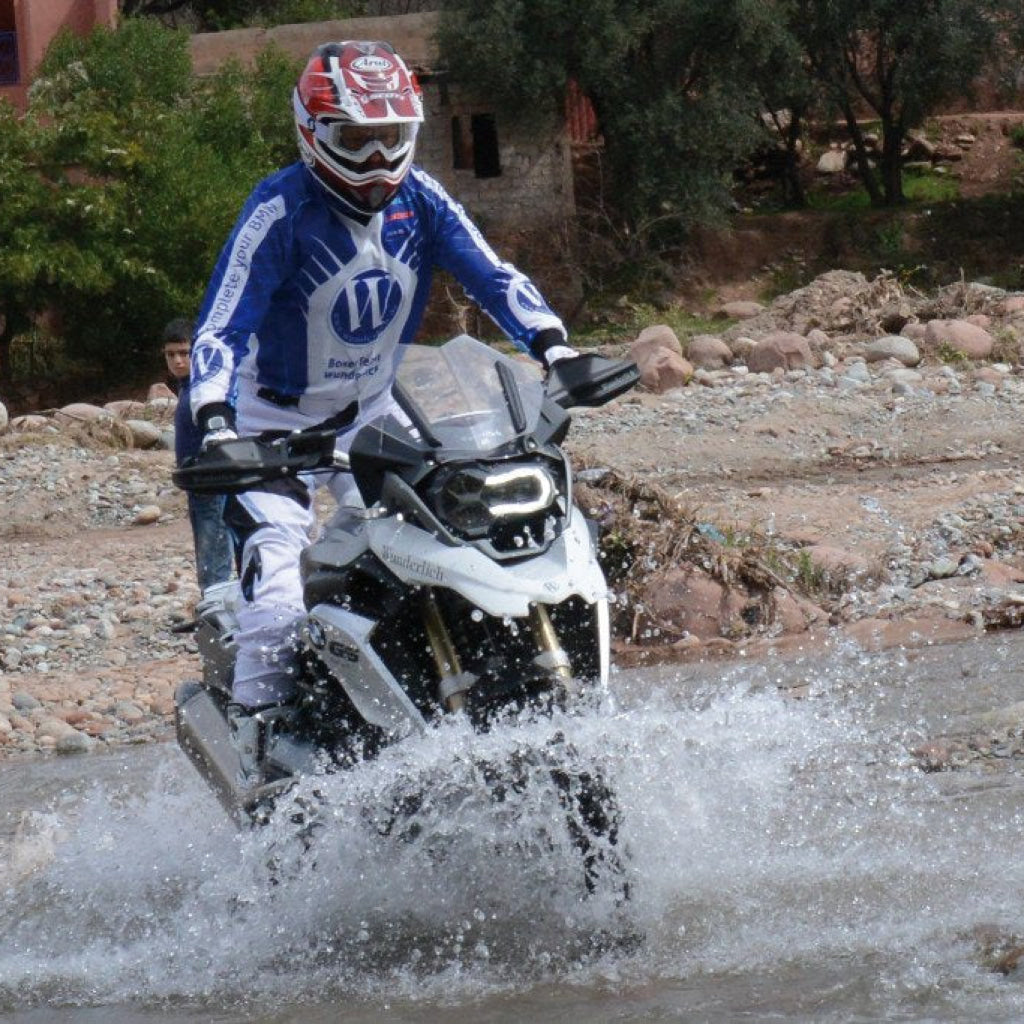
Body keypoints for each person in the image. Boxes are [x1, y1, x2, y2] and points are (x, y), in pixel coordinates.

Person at [189, 40, 580, 723]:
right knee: (277, 598)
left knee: (451, 544)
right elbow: (220, 328)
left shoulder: (421, 199)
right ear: (313, 132)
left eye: (391, 136)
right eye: (355, 139)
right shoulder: (279, 211)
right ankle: (260, 739)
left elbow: (492, 277)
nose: (376, 156)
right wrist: (217, 422)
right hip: (272, 427)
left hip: (374, 419)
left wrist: (556, 347)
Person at [162, 318, 235, 592]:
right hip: (197, 484)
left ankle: (215, 604)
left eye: (184, 353)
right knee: (209, 551)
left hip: (212, 484)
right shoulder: (186, 388)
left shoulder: (206, 391)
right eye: (171, 354)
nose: (178, 361)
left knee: (213, 555)